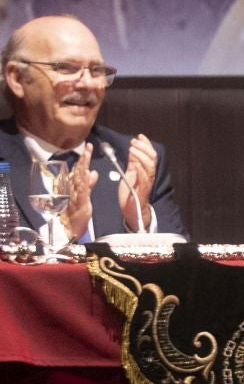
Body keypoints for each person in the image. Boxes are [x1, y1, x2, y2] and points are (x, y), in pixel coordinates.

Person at [0, 15, 186, 240]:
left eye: (97, 70)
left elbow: (184, 268)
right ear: (17, 78)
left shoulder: (132, 161)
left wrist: (139, 221)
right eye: (66, 68)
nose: (88, 83)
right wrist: (63, 233)